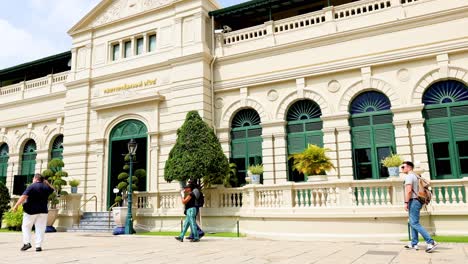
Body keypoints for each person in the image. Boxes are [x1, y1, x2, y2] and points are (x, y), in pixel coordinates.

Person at [12, 173, 55, 252]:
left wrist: (16, 205)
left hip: (30, 211)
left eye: (33, 178)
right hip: (43, 211)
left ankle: (27, 243)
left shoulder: (32, 186)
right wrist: (46, 182)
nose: (32, 180)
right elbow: (53, 189)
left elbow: (24, 196)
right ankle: (38, 246)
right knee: (40, 228)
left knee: (26, 227)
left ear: (35, 178)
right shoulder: (46, 187)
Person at [402, 161, 437, 253]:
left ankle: (431, 242)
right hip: (418, 201)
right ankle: (414, 243)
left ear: (409, 167)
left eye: (403, 167)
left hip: (413, 201)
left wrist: (405, 202)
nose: (402, 169)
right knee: (413, 222)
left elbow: (408, 191)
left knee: (414, 223)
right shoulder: (416, 176)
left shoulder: (409, 176)